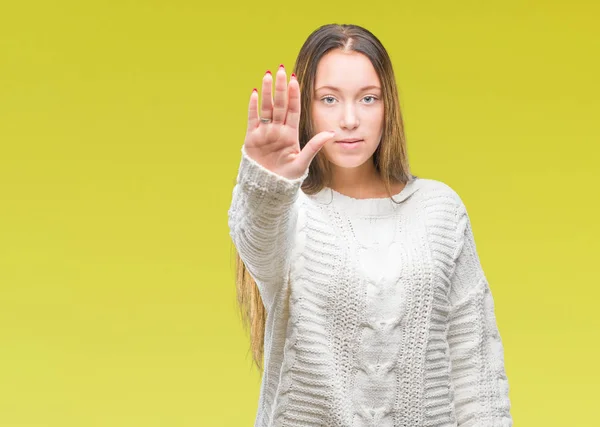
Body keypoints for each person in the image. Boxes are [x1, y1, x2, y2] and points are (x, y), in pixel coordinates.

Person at [228, 23, 513, 427]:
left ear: (388, 106)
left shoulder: (440, 210)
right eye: (328, 98)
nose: (349, 119)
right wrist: (267, 182)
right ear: (306, 109)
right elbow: (257, 241)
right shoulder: (288, 212)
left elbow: (475, 370)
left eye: (368, 98)